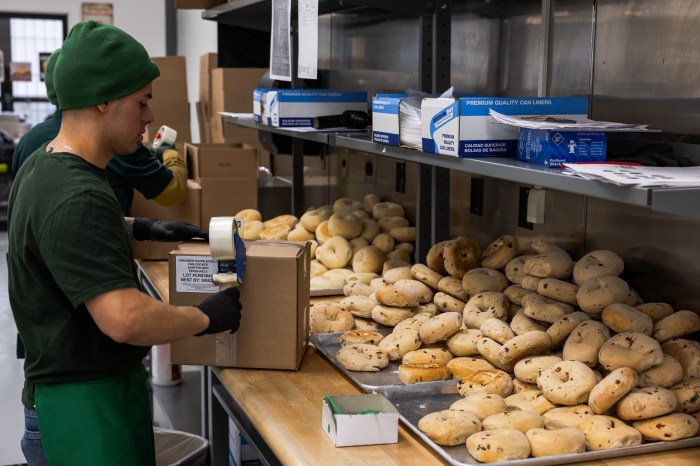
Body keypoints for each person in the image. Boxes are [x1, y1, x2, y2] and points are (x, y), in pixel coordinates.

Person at [7, 21, 242, 466]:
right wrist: (205, 317)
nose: (150, 117)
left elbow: (59, 233)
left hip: (72, 390)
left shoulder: (45, 164)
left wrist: (141, 228)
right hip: (85, 408)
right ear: (103, 101)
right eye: (143, 102)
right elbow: (124, 320)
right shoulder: (76, 195)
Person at [12, 48, 188, 217]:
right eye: (141, 104)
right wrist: (170, 153)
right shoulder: (114, 140)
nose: (149, 117)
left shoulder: (27, 141)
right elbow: (172, 191)